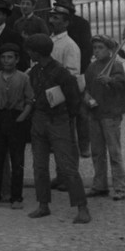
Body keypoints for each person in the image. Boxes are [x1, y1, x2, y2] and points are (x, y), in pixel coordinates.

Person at [25, 33, 91, 224]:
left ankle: (82, 207)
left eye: (30, 51)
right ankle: (43, 204)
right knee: (39, 166)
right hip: (39, 120)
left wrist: (62, 119)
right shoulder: (35, 71)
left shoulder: (61, 73)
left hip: (58, 121)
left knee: (67, 166)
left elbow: (74, 102)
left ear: (38, 52)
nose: (28, 53)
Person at [0, 42, 34, 210]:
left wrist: (22, 117)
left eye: (10, 57)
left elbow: (29, 101)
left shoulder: (24, 78)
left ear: (17, 59)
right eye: (4, 57)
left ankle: (16, 197)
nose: (6, 61)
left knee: (17, 160)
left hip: (16, 119)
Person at [83, 34, 125, 201]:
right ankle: (99, 185)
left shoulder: (116, 66)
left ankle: (119, 187)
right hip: (95, 114)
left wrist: (110, 80)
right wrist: (88, 98)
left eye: (100, 48)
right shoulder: (91, 67)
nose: (97, 51)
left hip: (110, 114)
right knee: (97, 152)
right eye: (95, 48)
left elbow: (121, 84)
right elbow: (87, 88)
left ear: (110, 50)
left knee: (114, 151)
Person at [54, 0, 93, 157]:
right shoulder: (54, 25)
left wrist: (79, 74)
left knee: (81, 112)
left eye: (65, 5)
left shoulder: (82, 24)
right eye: (58, 6)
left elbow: (86, 50)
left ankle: (84, 146)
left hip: (79, 73)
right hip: (60, 75)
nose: (61, 9)